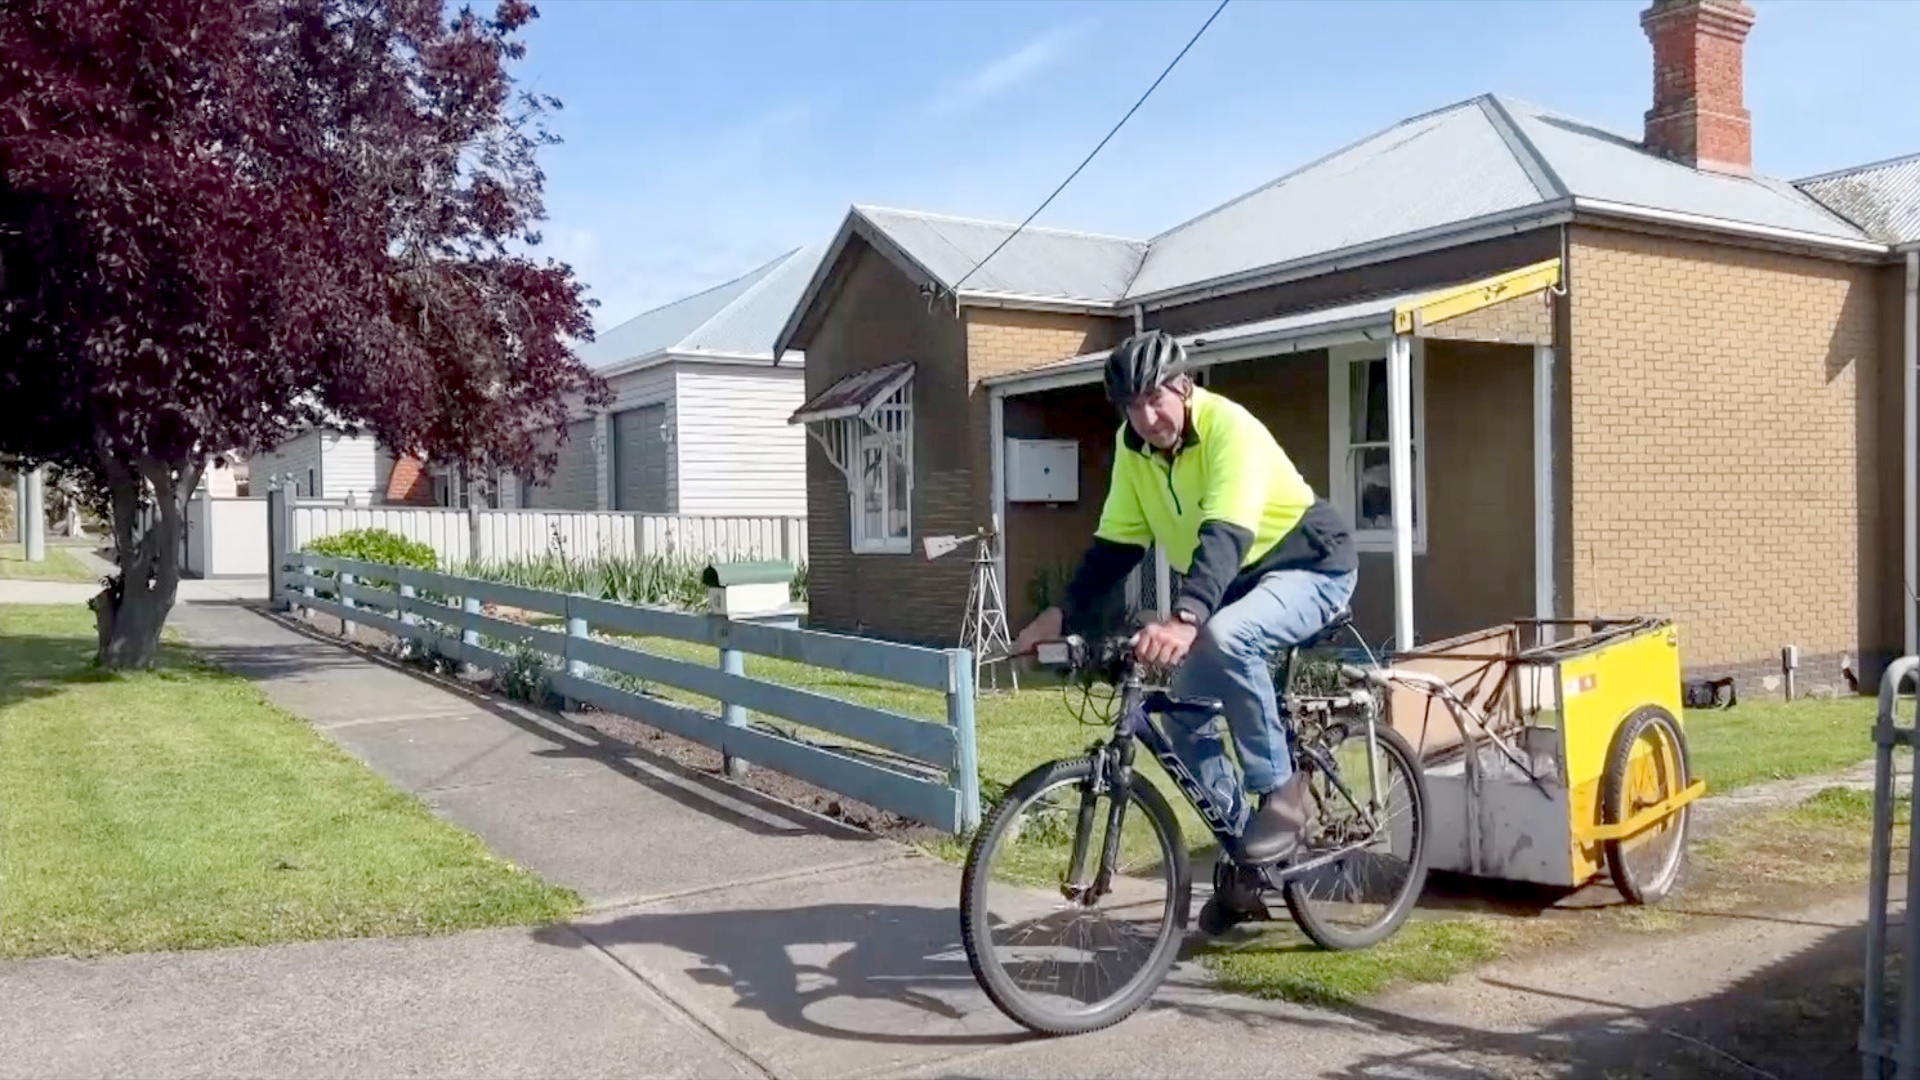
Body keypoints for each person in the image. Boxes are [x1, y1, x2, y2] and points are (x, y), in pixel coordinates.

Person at [1012, 329, 1357, 865]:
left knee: (1227, 636)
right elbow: (1114, 548)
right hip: (1238, 584)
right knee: (1181, 715)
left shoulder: (1230, 430)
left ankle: (1281, 795)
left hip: (1312, 567)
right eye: (1133, 406)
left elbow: (1226, 536)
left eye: (1155, 399)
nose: (1147, 419)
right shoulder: (1136, 454)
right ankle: (1248, 853)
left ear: (1185, 387)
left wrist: (1185, 618)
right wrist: (1058, 615)